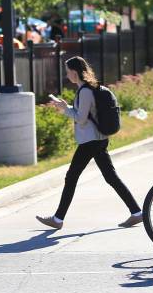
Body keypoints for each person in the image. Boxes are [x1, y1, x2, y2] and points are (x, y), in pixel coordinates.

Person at [36, 56, 143, 229]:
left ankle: (57, 219)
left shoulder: (85, 91)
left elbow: (81, 119)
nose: (67, 74)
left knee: (71, 177)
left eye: (68, 71)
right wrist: (66, 107)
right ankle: (137, 212)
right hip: (99, 139)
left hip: (90, 142)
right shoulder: (90, 88)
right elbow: (84, 114)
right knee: (111, 177)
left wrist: (65, 110)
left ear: (75, 72)